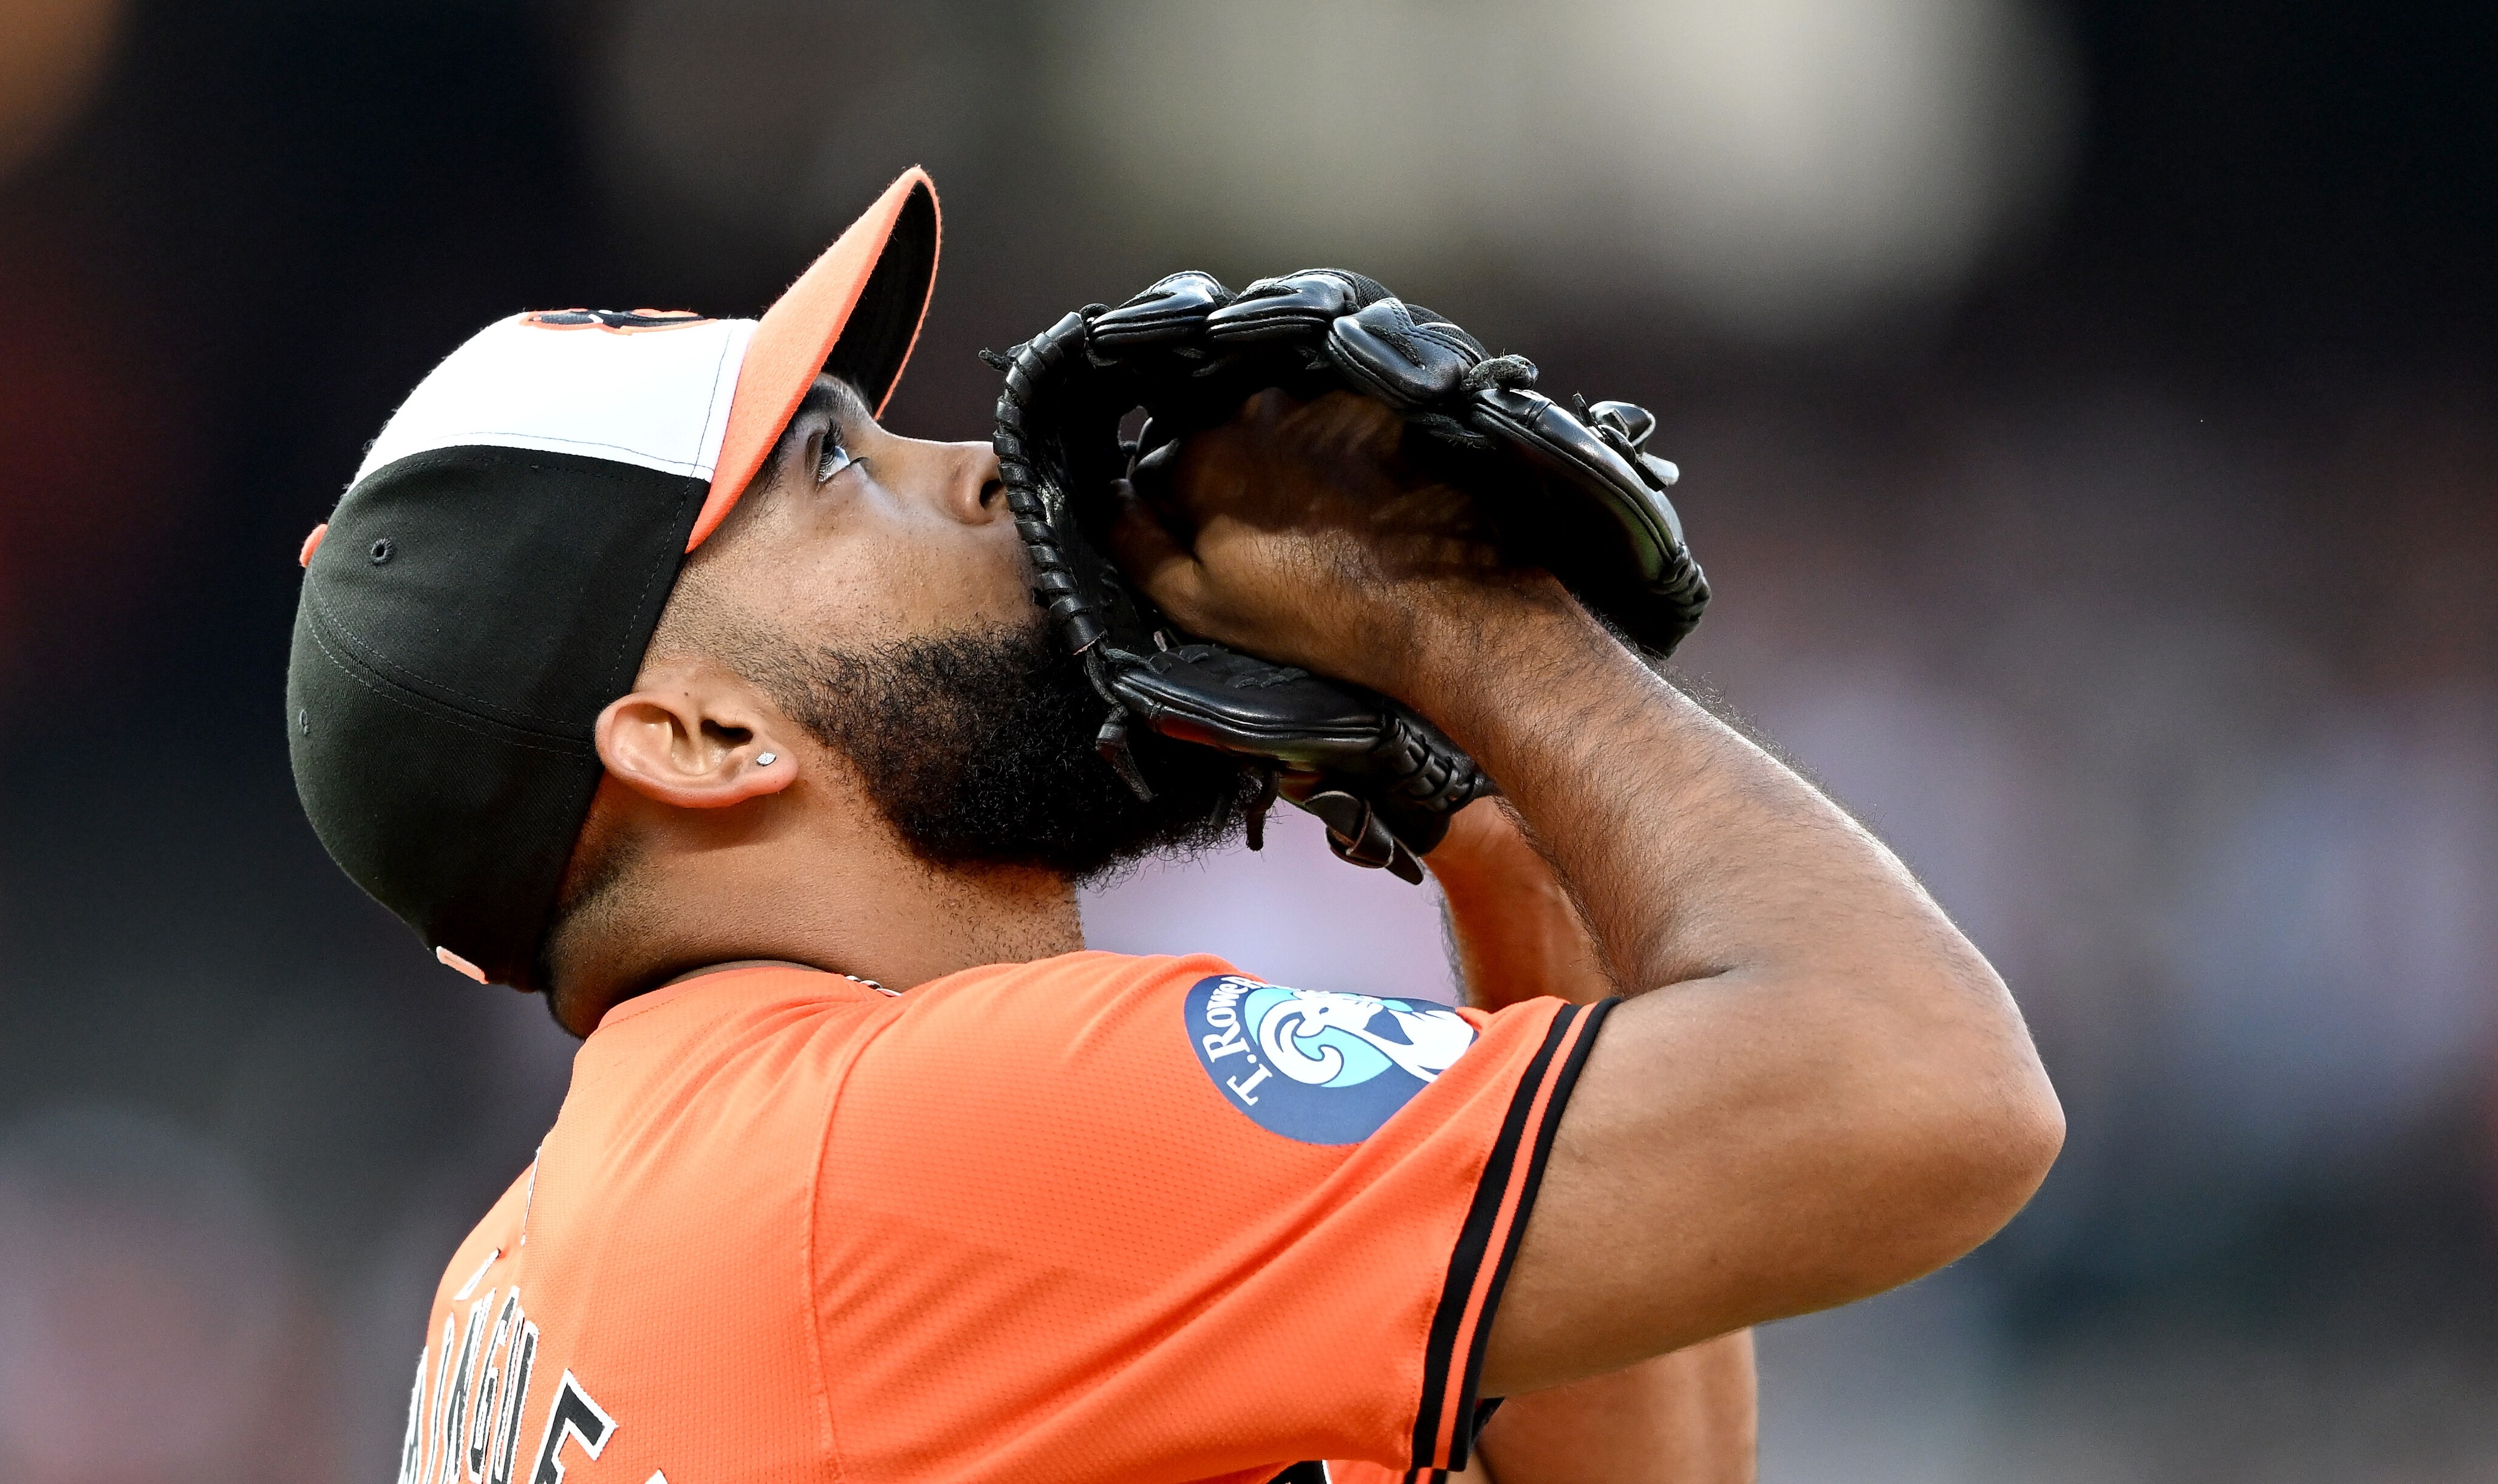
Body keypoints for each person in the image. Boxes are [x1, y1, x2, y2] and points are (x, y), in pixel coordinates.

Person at [288, 168, 2063, 1484]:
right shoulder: (900, 1145)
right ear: (695, 735)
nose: (969, 466)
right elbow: (1924, 1094)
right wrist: (1476, 634)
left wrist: (1487, 818)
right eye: (829, 467)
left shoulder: (533, 1261)